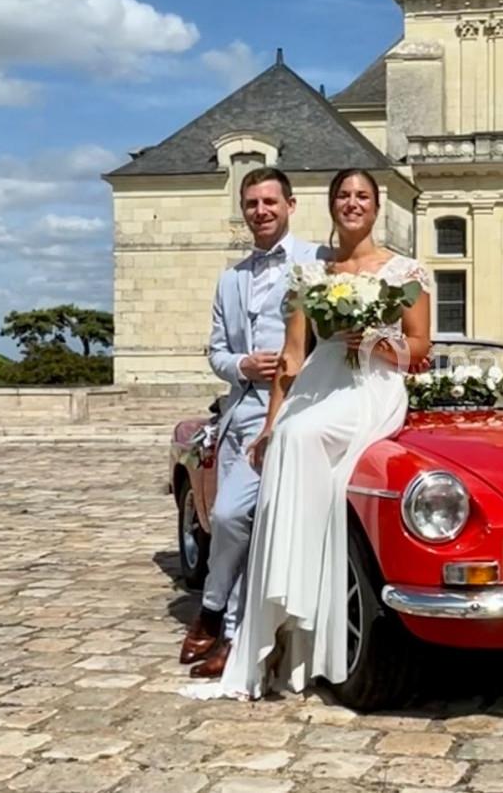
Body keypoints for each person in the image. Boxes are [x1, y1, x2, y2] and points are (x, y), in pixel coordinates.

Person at [183, 167, 431, 700]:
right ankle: (275, 624)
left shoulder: (406, 269)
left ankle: (286, 611)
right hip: (315, 387)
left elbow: (420, 351)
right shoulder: (312, 273)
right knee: (288, 441)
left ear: (377, 205)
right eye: (343, 195)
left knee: (302, 439)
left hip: (372, 386)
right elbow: (292, 358)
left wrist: (374, 338)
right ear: (329, 204)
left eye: (362, 195)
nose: (352, 203)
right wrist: (271, 424)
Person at [179, 166, 332, 678]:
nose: (261, 211)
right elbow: (217, 352)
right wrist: (242, 365)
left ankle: (225, 628)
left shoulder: (320, 262)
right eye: (251, 204)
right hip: (243, 409)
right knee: (227, 517)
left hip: (301, 406)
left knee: (252, 518)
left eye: (270, 202)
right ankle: (215, 612)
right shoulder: (231, 278)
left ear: (291, 205)